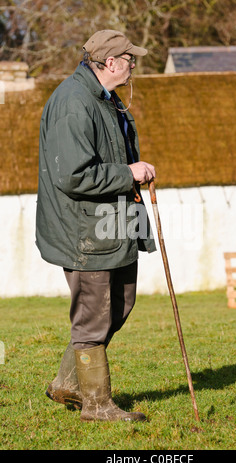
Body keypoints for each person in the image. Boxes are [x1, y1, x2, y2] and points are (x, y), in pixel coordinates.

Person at [35, 30, 156, 422]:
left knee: (120, 303)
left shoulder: (105, 100)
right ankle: (97, 405)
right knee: (93, 314)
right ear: (109, 62)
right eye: (128, 58)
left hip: (113, 224)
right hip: (84, 230)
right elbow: (73, 175)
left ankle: (70, 383)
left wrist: (131, 176)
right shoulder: (74, 102)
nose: (133, 65)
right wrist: (128, 173)